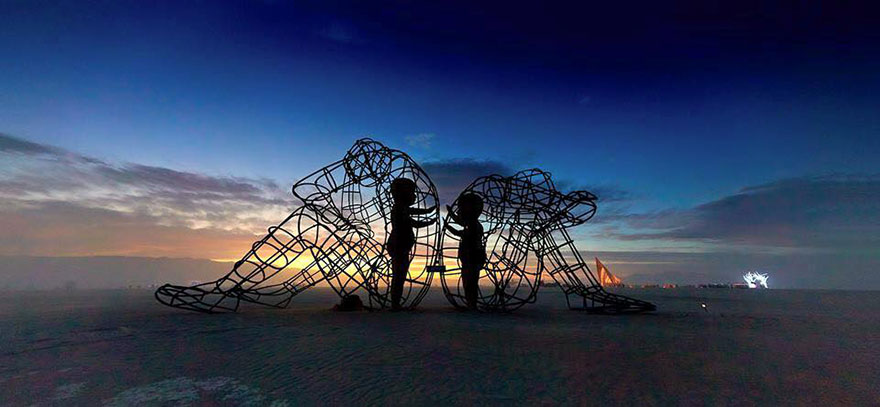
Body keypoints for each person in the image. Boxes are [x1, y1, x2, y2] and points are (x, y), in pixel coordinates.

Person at [386, 178, 436, 310]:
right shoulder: (399, 209)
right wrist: (429, 222)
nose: (414, 196)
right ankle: (395, 305)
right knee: (399, 275)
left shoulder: (401, 208)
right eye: (411, 192)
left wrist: (427, 212)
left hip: (401, 245)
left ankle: (395, 304)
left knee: (399, 274)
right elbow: (413, 223)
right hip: (399, 245)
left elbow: (412, 212)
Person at [445, 193, 485, 310]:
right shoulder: (473, 223)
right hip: (471, 257)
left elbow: (461, 231)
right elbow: (461, 222)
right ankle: (471, 303)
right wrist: (451, 214)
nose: (459, 212)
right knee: (470, 281)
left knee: (470, 282)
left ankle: (472, 304)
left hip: (472, 258)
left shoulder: (473, 225)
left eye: (461, 208)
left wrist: (449, 225)